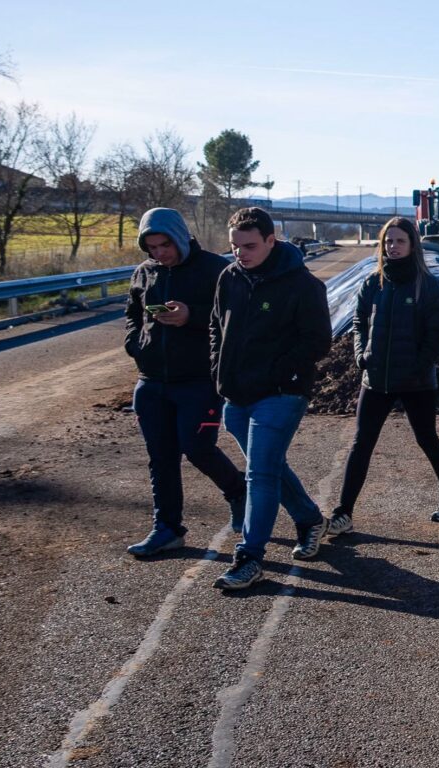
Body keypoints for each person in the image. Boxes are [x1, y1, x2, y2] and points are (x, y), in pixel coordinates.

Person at [209, 206, 332, 590]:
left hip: (281, 394)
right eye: (234, 247)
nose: (240, 254)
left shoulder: (302, 285)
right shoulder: (229, 277)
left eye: (248, 246)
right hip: (236, 394)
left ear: (270, 240)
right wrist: (218, 369)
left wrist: (278, 372)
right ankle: (310, 519)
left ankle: (249, 557)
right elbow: (216, 327)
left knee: (259, 474)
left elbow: (318, 341)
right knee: (270, 467)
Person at [326, 217, 439, 537]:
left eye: (400, 241)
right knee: (361, 444)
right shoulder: (372, 283)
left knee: (426, 438)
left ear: (412, 244)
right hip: (375, 379)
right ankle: (343, 512)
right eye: (389, 241)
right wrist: (361, 355)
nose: (393, 246)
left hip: (416, 382)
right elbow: (360, 322)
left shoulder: (427, 285)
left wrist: (420, 365)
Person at [121, 208, 247, 558]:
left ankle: (238, 491)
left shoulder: (214, 268)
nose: (160, 252)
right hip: (150, 381)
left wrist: (191, 316)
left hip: (198, 381)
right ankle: (168, 529)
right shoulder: (144, 273)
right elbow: (132, 313)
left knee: (197, 447)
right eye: (152, 246)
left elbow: (234, 317)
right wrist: (135, 345)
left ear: (180, 236)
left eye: (165, 244)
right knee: (160, 457)